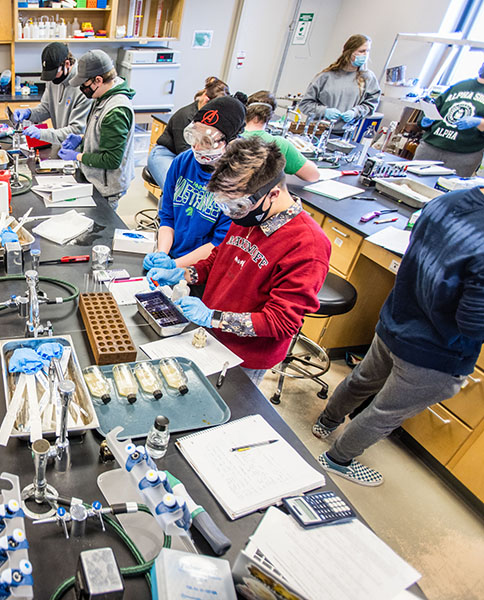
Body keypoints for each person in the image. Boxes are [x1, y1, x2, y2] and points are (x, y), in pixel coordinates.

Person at [312, 187, 484, 486]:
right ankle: (338, 459)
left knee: (363, 380)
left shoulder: (447, 201)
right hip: (433, 350)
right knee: (385, 413)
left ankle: (326, 422)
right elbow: (472, 323)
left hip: (396, 320)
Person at [147, 137, 331, 386]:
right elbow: (217, 261)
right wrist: (183, 273)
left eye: (237, 206)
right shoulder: (248, 213)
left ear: (273, 194)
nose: (232, 214)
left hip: (244, 359)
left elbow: (282, 322)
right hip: (209, 335)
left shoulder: (307, 245)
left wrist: (213, 317)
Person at [143, 96, 245, 271]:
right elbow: (168, 216)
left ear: (230, 142)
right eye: (195, 137)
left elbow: (218, 243)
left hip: (202, 269)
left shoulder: (237, 183)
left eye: (206, 141)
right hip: (172, 255)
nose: (196, 147)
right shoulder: (183, 162)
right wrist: (162, 254)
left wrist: (175, 266)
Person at [59, 49, 136, 209]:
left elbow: (112, 159)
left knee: (101, 230)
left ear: (98, 80)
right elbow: (102, 134)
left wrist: (77, 156)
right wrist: (81, 138)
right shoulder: (103, 96)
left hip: (107, 188)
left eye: (84, 84)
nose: (82, 88)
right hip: (95, 179)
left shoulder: (116, 111)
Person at [148, 76, 229, 189]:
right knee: (176, 187)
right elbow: (184, 151)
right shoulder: (185, 117)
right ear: (206, 100)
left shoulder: (210, 119)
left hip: (192, 156)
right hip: (166, 154)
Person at [298, 34, 381, 134]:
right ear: (350, 52)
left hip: (344, 134)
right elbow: (305, 104)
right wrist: (324, 111)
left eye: (367, 51)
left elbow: (371, 104)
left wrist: (355, 112)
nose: (365, 55)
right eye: (361, 51)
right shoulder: (326, 76)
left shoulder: (368, 78)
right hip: (317, 131)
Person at [13, 42, 92, 146]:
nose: (52, 78)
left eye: (55, 73)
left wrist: (42, 134)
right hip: (61, 144)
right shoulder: (54, 80)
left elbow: (77, 130)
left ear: (67, 64)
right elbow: (46, 108)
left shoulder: (83, 86)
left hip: (77, 150)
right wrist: (29, 113)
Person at [414, 62, 484, 176]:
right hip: (430, 146)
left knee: (445, 189)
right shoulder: (460, 86)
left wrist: (478, 122)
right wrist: (425, 120)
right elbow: (436, 108)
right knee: (412, 182)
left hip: (463, 155)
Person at [242, 90, 320, 182]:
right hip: (263, 195)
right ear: (270, 115)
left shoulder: (230, 136)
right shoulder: (279, 144)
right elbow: (313, 175)